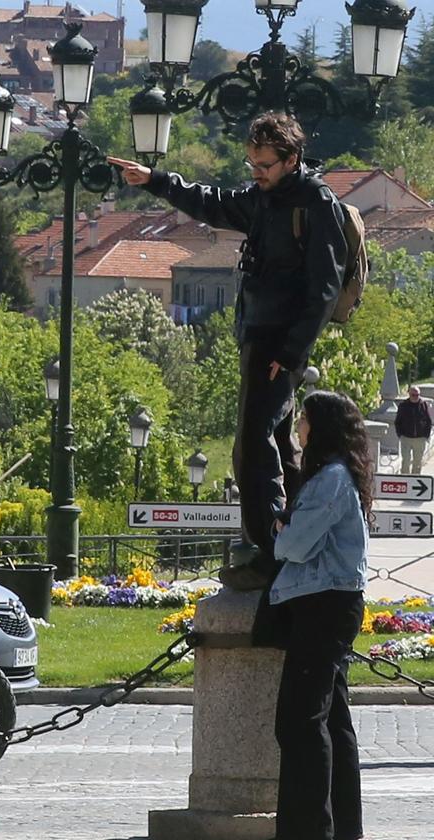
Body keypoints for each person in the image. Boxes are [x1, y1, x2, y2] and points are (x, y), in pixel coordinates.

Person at [110, 112, 348, 592]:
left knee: (251, 446)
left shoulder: (316, 203)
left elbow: (325, 287)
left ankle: (267, 550)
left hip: (280, 343)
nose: (255, 172)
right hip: (257, 335)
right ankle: (293, 537)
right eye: (251, 162)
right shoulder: (261, 199)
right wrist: (155, 180)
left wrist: (292, 349)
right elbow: (210, 203)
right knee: (279, 445)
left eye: (263, 164)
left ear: (291, 159)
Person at [266, 390, 370, 840]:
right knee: (332, 720)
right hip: (334, 602)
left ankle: (309, 831)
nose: (300, 427)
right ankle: (344, 828)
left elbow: (294, 546)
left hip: (323, 604)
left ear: (320, 427)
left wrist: (279, 528)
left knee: (299, 721)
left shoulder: (329, 479)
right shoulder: (341, 475)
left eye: (304, 419)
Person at [395, 385, 433, 475]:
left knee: (417, 463)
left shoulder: (423, 405)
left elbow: (428, 421)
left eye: (418, 395)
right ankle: (405, 479)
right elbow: (397, 421)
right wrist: (400, 435)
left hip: (420, 438)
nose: (416, 397)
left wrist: (426, 435)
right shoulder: (403, 406)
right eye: (413, 395)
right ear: (409, 394)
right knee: (406, 461)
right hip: (406, 438)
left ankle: (415, 479)